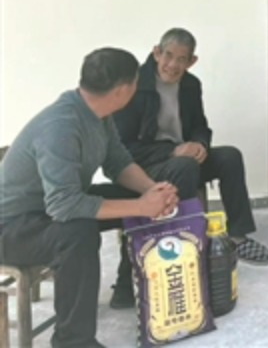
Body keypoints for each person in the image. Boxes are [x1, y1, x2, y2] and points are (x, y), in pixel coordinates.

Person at [0, 48, 178, 348]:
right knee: (78, 233)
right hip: (12, 228)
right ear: (122, 90)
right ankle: (73, 341)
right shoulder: (60, 127)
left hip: (48, 209)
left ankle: (136, 289)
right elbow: (65, 205)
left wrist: (151, 191)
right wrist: (140, 206)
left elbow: (117, 162)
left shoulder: (98, 114)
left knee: (127, 196)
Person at [111, 28, 268, 308]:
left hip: (183, 158)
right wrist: (172, 150)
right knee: (185, 165)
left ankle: (238, 236)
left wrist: (200, 143)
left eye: (182, 59)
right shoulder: (136, 85)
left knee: (229, 156)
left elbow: (200, 125)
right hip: (145, 165)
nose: (173, 65)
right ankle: (189, 246)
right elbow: (124, 147)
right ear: (156, 52)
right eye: (168, 56)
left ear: (192, 61)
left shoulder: (191, 85)